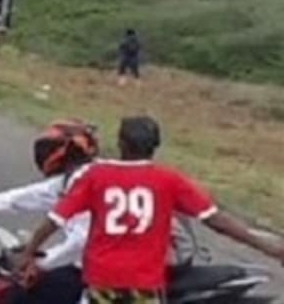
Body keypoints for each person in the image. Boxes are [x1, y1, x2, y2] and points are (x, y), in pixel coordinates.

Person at [17, 115, 284, 303]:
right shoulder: (170, 180)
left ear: (121, 143)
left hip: (102, 281)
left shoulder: (95, 176)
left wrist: (29, 255)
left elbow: (53, 221)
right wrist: (270, 248)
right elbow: (216, 221)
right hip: (144, 285)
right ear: (155, 146)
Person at [0, 120, 100, 304]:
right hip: (92, 266)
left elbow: (81, 242)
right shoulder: (79, 175)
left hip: (93, 272)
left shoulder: (85, 180)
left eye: (48, 148)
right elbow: (38, 194)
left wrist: (43, 263)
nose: (43, 154)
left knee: (20, 295)